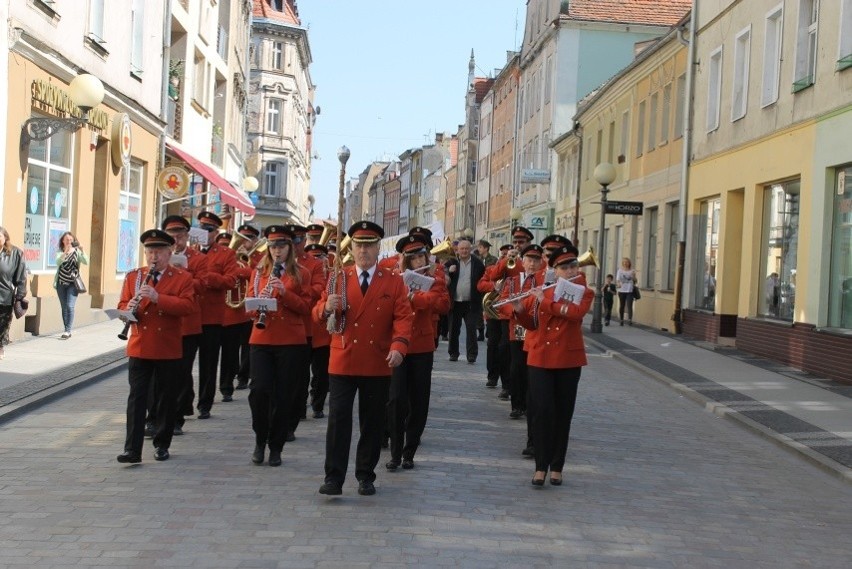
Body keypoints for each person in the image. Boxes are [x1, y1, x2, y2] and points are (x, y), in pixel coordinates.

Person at [314, 220, 414, 496]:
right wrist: (326, 307)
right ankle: (334, 477)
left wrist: (399, 346)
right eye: (359, 245)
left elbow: (403, 317)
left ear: (378, 248)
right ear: (352, 248)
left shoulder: (392, 280)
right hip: (343, 358)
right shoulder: (339, 277)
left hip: (376, 360)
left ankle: (365, 474)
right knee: (338, 421)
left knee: (371, 421)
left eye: (369, 246)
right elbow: (316, 312)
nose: (363, 251)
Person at [512, 244, 594, 486]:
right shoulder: (544, 289)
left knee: (562, 413)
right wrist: (518, 310)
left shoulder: (584, 291)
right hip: (540, 357)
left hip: (568, 358)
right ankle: (540, 465)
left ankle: (557, 466)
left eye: (573, 267)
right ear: (554, 270)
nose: (570, 271)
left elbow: (575, 313)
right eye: (564, 268)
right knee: (541, 411)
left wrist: (545, 302)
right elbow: (532, 323)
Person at [116, 229, 195, 464]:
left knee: (166, 398)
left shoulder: (182, 278)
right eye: (150, 252)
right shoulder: (134, 277)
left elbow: (188, 307)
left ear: (170, 252)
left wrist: (158, 298)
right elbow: (121, 304)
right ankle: (132, 449)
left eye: (159, 252)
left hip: (167, 346)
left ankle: (162, 443)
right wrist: (126, 310)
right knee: (136, 398)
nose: (153, 257)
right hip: (140, 344)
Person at [246, 225, 313, 467]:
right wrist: (260, 303)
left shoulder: (301, 273)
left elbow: (306, 308)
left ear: (289, 248)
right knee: (259, 391)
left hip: (290, 341)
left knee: (285, 395)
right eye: (273, 246)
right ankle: (259, 439)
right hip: (261, 339)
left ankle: (276, 447)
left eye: (281, 246)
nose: (277, 251)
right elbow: (249, 308)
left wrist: (284, 293)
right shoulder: (258, 273)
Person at [386, 234, 450, 471]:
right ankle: (394, 450)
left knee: (419, 399)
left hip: (422, 345)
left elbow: (443, 304)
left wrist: (414, 297)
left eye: (421, 256)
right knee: (395, 398)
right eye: (413, 258)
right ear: (406, 260)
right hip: (397, 344)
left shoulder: (435, 278)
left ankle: (409, 450)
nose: (418, 261)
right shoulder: (394, 277)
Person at [194, 211, 239, 420]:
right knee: (181, 364)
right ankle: (184, 401)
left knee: (208, 363)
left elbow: (231, 281)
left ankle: (205, 403)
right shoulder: (187, 252)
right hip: (188, 315)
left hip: (211, 316)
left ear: (216, 232)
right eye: (202, 227)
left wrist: (206, 277)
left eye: (209, 229)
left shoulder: (225, 254)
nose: (205, 232)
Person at [160, 215, 203, 437]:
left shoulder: (197, 258)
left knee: (182, 371)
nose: (176, 238)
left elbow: (204, 284)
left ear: (187, 235)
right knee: (166, 373)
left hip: (188, 323)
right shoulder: (159, 257)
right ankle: (163, 414)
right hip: (164, 323)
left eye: (180, 234)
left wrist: (184, 276)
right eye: (172, 235)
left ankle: (176, 417)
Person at [445, 238, 485, 363]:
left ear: (471, 249)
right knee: (453, 329)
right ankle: (453, 353)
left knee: (471, 329)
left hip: (471, 303)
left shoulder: (478, 264)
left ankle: (472, 355)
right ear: (457, 250)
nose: (464, 251)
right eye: (462, 249)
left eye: (467, 249)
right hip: (455, 302)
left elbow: (483, 280)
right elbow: (441, 275)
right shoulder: (451, 262)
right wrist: (448, 271)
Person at [304, 244, 331, 418]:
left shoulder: (333, 277)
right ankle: (299, 408)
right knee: (300, 374)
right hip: (304, 329)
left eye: (320, 257)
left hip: (323, 332)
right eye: (314, 258)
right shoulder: (302, 274)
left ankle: (318, 405)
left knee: (321, 374)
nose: (318, 261)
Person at [53, 231, 89, 339]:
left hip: (73, 284)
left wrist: (82, 250)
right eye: (67, 240)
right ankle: (66, 329)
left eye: (71, 240)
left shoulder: (77, 251)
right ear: (63, 241)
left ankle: (68, 330)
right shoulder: (60, 252)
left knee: (70, 306)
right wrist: (66, 252)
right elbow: (58, 262)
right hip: (61, 283)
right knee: (64, 307)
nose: (69, 241)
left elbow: (86, 261)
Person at [0, 227, 28, 360]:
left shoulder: (15, 253)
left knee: (2, 324)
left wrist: (20, 295)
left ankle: (0, 347)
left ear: (5, 237)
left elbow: (21, 276)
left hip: (5, 296)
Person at [616, 257, 637, 326]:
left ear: (629, 263)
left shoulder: (632, 271)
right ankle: (621, 319)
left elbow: (635, 281)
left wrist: (634, 276)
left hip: (629, 290)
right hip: (622, 290)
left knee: (629, 305)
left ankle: (630, 320)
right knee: (622, 305)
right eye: (624, 262)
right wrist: (618, 284)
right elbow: (618, 280)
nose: (625, 263)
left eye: (627, 262)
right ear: (622, 263)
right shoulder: (620, 271)